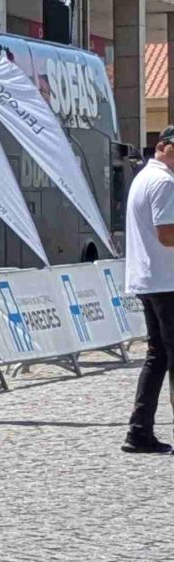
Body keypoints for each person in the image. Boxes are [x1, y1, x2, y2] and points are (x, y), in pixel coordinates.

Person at [121, 125, 174, 455]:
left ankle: (139, 430)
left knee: (158, 357)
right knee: (163, 356)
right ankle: (139, 431)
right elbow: (166, 234)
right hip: (167, 281)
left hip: (151, 279)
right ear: (166, 147)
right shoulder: (164, 182)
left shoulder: (144, 177)